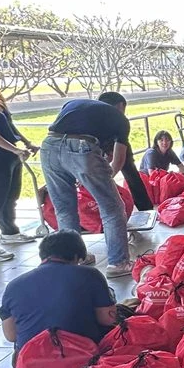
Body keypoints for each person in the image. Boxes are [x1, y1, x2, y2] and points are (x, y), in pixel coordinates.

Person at [40, 96, 133, 277]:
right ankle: (118, 263)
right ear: (120, 107)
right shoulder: (121, 119)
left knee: (64, 208)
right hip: (81, 147)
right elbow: (118, 160)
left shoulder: (75, 103)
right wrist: (105, 181)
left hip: (49, 147)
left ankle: (72, 258)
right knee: (112, 207)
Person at [0, 230, 116, 363]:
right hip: (83, 358)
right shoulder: (89, 274)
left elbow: (11, 335)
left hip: (31, 362)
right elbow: (108, 319)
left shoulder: (13, 285)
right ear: (76, 256)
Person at [0, 57, 37, 262]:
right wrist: (14, 149)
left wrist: (25, 142)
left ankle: (9, 231)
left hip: (10, 154)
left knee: (10, 195)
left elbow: (8, 124)